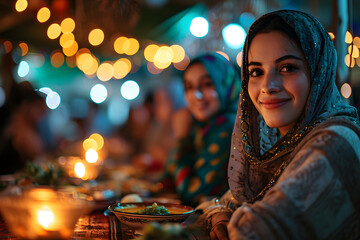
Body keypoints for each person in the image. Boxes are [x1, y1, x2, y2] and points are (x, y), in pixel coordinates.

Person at [198, 10, 360, 240]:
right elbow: (217, 204)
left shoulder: (337, 139)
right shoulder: (275, 142)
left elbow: (255, 232)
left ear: (318, 72)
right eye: (256, 72)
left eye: (287, 68)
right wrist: (219, 215)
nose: (268, 86)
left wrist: (224, 216)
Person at [161, 53, 241, 206]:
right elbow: (168, 177)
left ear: (226, 84)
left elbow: (191, 192)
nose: (196, 95)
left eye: (207, 84)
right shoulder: (201, 127)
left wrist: (181, 137)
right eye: (189, 87)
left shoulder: (228, 125)